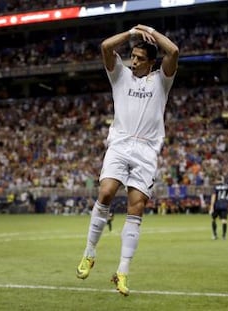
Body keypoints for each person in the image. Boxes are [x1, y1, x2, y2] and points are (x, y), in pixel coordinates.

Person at [76, 24, 179, 296]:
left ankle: (122, 272)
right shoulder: (119, 75)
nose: (133, 62)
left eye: (140, 58)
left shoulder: (161, 80)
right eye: (132, 57)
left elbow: (174, 51)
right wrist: (132, 34)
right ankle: (89, 253)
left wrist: (152, 32)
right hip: (120, 143)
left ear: (151, 62)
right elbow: (106, 47)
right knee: (106, 191)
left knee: (136, 208)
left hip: (146, 150)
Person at [209, 176, 228, 240]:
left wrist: (212, 206)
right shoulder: (227, 186)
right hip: (224, 205)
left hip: (217, 205)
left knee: (213, 219)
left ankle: (214, 235)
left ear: (217, 180)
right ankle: (224, 236)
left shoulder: (215, 187)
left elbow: (214, 196)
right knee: (224, 220)